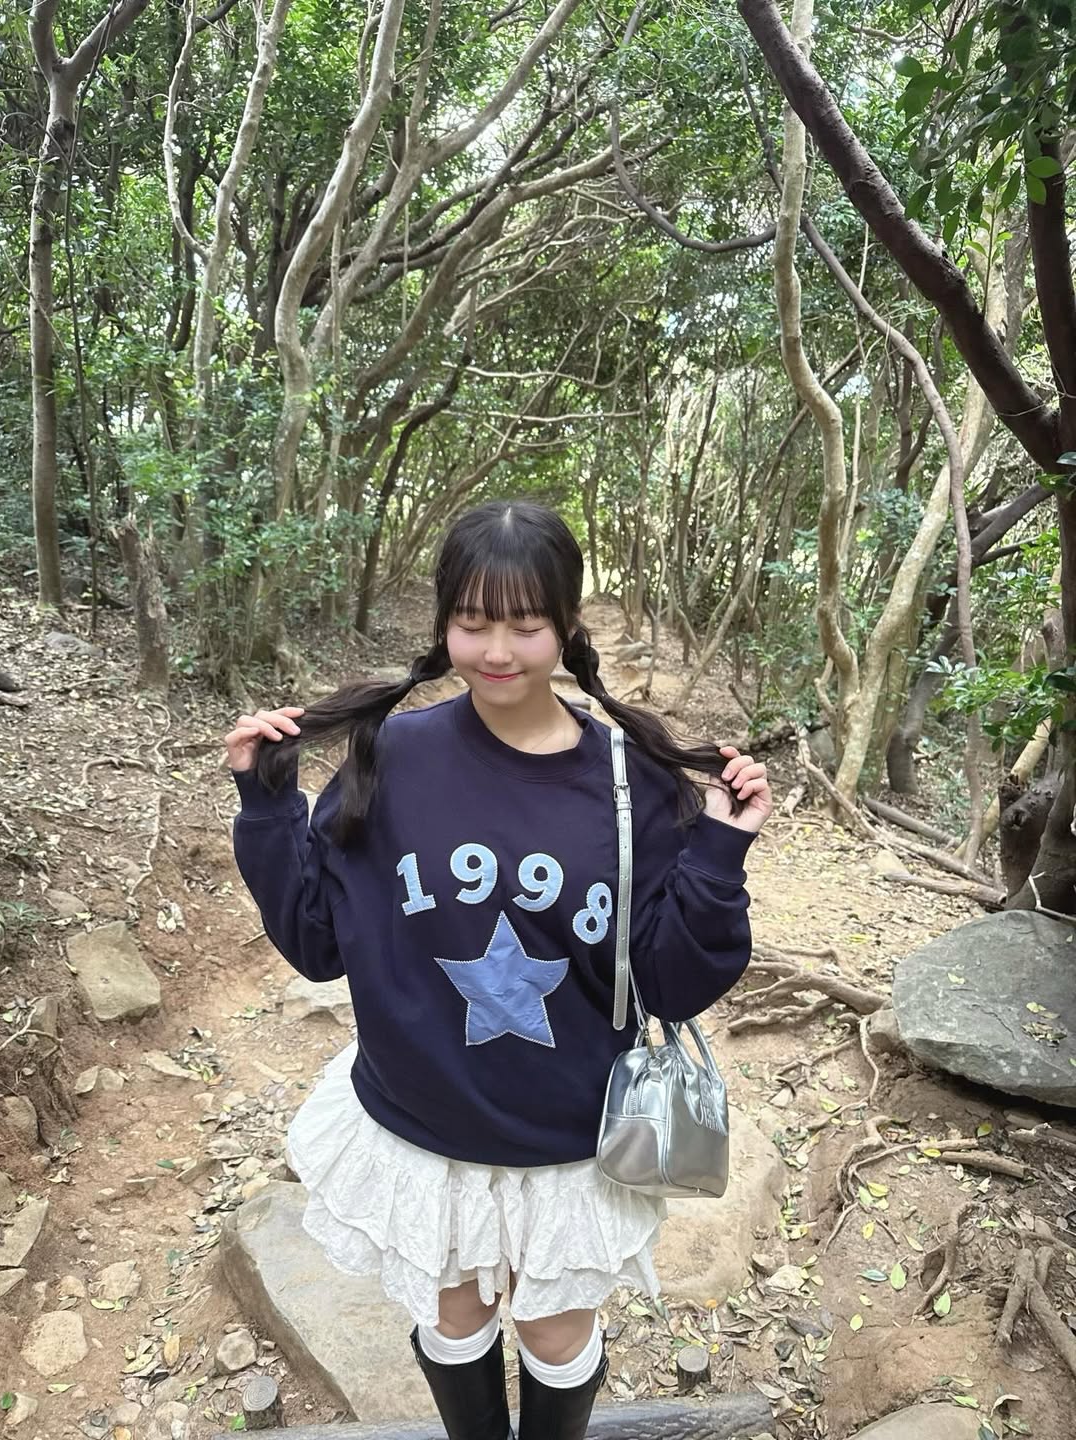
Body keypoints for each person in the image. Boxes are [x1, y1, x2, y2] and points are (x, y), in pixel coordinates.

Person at [224, 500, 772, 1440]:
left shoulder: (633, 783)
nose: (498, 651)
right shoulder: (392, 757)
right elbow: (316, 944)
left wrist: (720, 852)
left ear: (567, 624)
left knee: (556, 1331)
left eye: (526, 624)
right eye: (473, 622)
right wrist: (267, 803)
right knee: (454, 1318)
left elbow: (674, 985)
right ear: (444, 622)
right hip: (424, 1129)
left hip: (569, 1141)